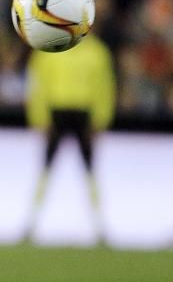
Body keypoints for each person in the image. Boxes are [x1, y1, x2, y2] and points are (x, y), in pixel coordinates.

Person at [22, 31, 116, 244]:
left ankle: (100, 228)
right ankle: (31, 224)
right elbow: (38, 84)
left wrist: (100, 118)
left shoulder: (96, 51)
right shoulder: (52, 48)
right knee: (47, 170)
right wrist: (40, 117)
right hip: (57, 113)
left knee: (89, 171)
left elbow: (105, 86)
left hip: (83, 113)